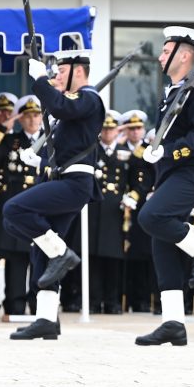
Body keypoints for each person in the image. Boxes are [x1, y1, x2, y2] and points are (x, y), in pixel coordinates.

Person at [4, 49, 105, 340]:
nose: (57, 75)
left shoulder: (88, 98)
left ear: (79, 71)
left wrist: (40, 82)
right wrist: (42, 161)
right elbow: (68, 145)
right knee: (41, 250)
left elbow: (62, 107)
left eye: (62, 71)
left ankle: (63, 253)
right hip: (63, 178)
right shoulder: (73, 103)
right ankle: (47, 320)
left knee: (14, 210)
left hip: (75, 184)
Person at [134, 27, 194, 346]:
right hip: (171, 174)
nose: (160, 56)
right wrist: (154, 143)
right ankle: (173, 322)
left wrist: (168, 150)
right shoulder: (174, 92)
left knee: (149, 218)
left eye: (166, 49)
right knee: (162, 243)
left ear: (184, 55)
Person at [0, 95, 43, 316]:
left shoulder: (49, 140)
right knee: (16, 259)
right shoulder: (11, 141)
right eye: (27, 116)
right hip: (18, 207)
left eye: (36, 115)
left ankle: (39, 308)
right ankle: (15, 307)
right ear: (20, 119)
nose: (32, 120)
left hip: (41, 207)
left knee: (40, 259)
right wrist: (3, 128)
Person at [89, 110, 127, 314]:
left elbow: (138, 179)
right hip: (95, 209)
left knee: (113, 259)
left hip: (116, 211)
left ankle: (112, 302)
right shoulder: (92, 150)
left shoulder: (125, 153)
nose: (107, 132)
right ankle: (94, 301)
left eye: (111, 129)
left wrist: (133, 197)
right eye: (104, 129)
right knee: (93, 258)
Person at [119, 110, 155, 313]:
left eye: (139, 128)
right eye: (131, 128)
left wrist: (136, 195)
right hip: (118, 206)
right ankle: (125, 296)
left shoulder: (148, 149)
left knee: (142, 253)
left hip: (140, 205)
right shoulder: (119, 147)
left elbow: (150, 177)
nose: (135, 132)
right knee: (124, 254)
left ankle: (140, 299)